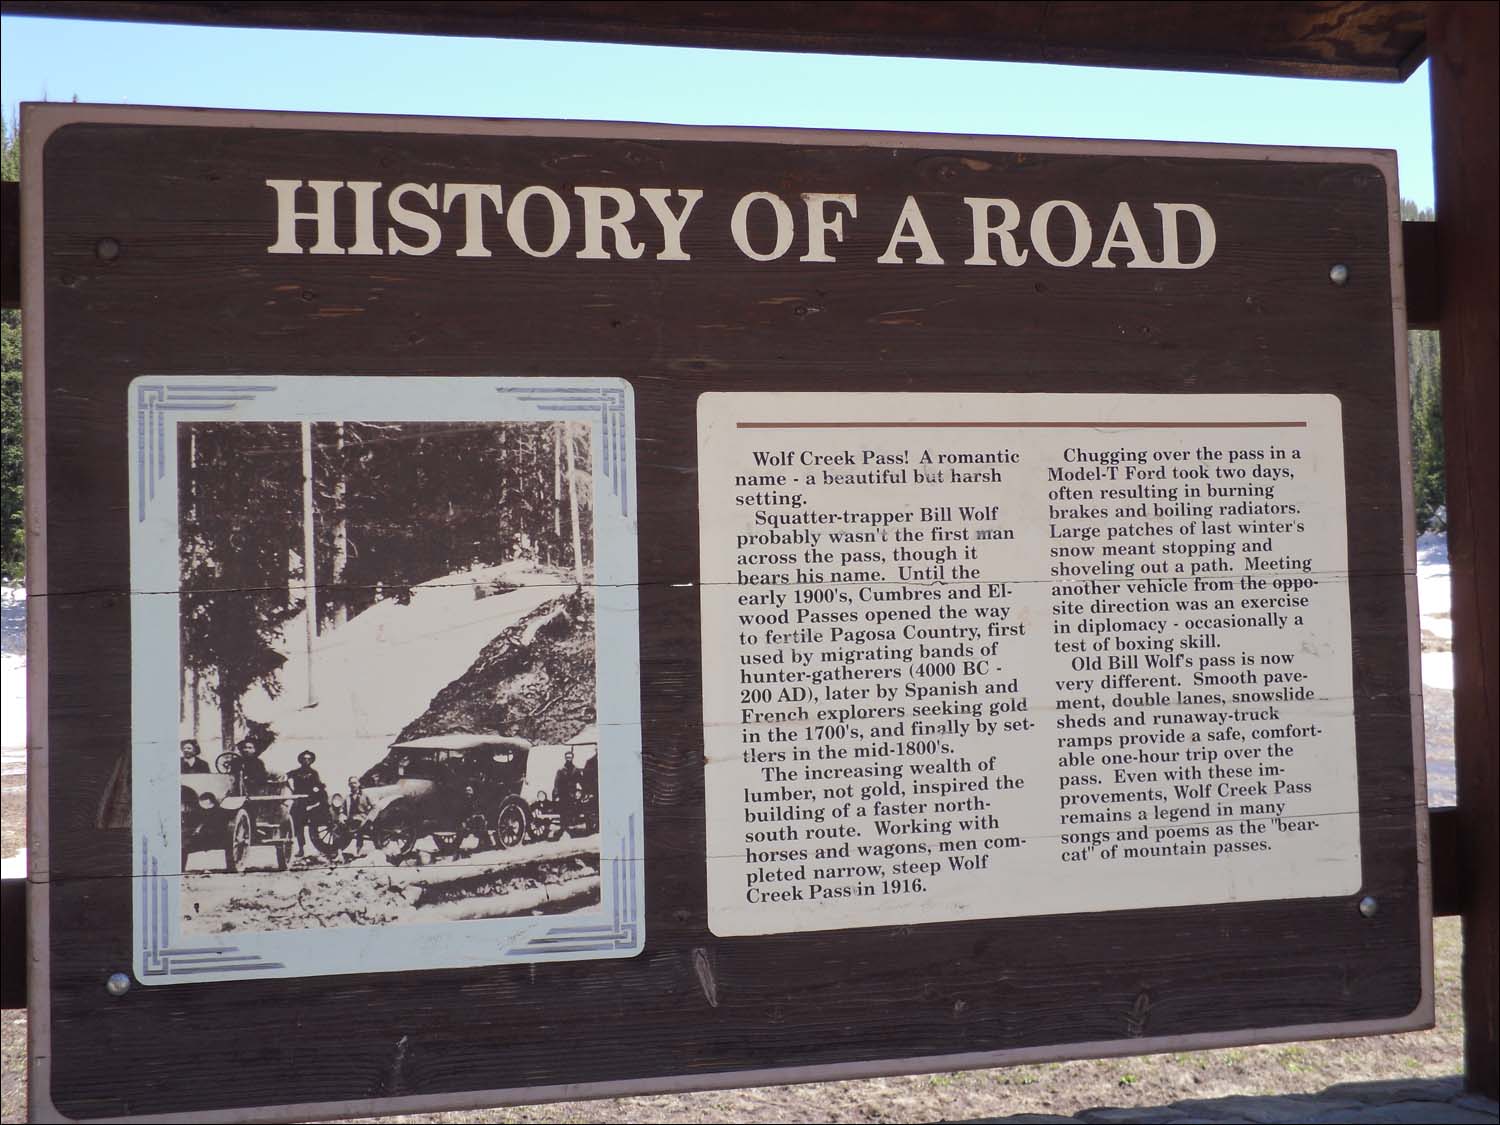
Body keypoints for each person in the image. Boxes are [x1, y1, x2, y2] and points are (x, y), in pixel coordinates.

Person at [286, 750, 323, 858]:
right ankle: (301, 848)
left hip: (310, 801)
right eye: (304, 759)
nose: (306, 761)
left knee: (314, 825)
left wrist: (316, 791)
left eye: (308, 759)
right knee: (297, 826)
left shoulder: (314, 773)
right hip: (298, 801)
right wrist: (291, 789)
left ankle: (318, 848)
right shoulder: (295, 772)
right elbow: (284, 778)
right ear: (300, 760)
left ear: (311, 760)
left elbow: (319, 785)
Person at [553, 749, 583, 830]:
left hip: (573, 792)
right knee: (562, 808)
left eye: (570, 757)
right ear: (565, 758)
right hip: (563, 793)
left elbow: (581, 781)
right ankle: (563, 825)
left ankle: (574, 820)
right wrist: (556, 794)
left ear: (572, 758)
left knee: (576, 805)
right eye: (567, 757)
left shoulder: (576, 770)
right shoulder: (560, 770)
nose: (568, 759)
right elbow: (556, 783)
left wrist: (582, 791)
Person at [345, 776, 375, 855]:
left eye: (355, 783)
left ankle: (359, 850)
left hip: (363, 819)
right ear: (349, 785)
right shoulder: (347, 798)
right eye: (351, 783)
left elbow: (374, 807)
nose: (353, 785)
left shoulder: (365, 795)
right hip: (351, 819)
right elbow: (342, 810)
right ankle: (338, 851)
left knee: (360, 831)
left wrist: (370, 819)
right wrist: (342, 816)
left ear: (358, 784)